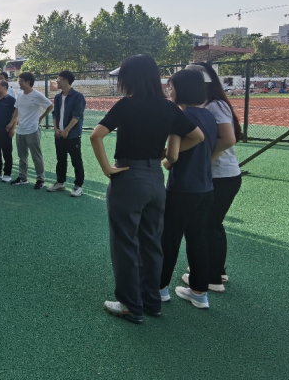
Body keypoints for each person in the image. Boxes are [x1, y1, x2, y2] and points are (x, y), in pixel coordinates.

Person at [90, 55, 204, 324]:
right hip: (155, 179)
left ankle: (130, 305)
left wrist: (107, 169)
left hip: (128, 178)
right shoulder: (168, 107)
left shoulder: (126, 105)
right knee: (152, 243)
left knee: (125, 244)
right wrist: (165, 153)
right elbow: (197, 137)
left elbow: (96, 135)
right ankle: (152, 302)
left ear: (130, 78)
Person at [158, 69, 218, 310]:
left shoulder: (180, 116)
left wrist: (165, 159)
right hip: (205, 188)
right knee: (198, 239)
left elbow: (172, 155)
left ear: (180, 90)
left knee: (169, 239)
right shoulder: (209, 115)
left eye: (171, 87)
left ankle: (159, 288)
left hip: (182, 188)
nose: (168, 90)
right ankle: (199, 293)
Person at [187, 62, 246, 293]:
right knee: (212, 225)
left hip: (220, 176)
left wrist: (204, 158)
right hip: (222, 176)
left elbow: (228, 139)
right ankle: (216, 271)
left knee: (206, 226)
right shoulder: (208, 104)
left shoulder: (215, 105)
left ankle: (211, 277)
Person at [8, 72, 53, 189]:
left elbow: (50, 105)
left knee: (36, 157)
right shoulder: (20, 95)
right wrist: (12, 123)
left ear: (28, 82)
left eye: (21, 81)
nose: (19, 83)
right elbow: (17, 110)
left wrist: (41, 117)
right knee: (22, 157)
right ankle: (22, 178)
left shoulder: (37, 95)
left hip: (32, 130)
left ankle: (40, 180)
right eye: (18, 81)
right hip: (20, 131)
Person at [47, 71, 86, 197]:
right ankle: (60, 183)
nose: (56, 81)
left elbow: (77, 115)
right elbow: (55, 114)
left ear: (66, 80)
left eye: (59, 79)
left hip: (72, 136)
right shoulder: (58, 97)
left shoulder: (78, 96)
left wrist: (67, 130)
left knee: (76, 161)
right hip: (59, 135)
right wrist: (56, 129)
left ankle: (78, 186)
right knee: (61, 160)